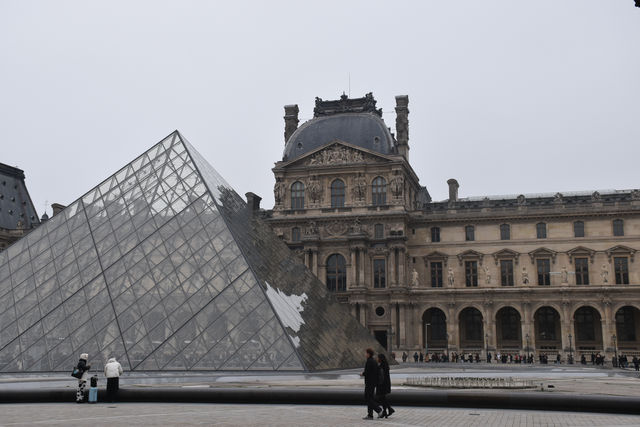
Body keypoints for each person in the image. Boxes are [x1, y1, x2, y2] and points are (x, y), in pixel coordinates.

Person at [361, 348, 381, 420]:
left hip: (369, 383)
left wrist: (362, 374)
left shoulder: (369, 361)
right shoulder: (374, 361)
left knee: (367, 397)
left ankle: (378, 410)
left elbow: (367, 372)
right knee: (370, 398)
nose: (365, 354)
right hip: (373, 383)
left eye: (366, 353)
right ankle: (370, 415)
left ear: (368, 354)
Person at [376, 354, 395, 418]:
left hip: (382, 384)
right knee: (382, 397)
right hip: (385, 383)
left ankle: (389, 409)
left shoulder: (382, 365)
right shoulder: (385, 364)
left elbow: (381, 376)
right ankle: (387, 410)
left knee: (381, 397)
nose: (377, 359)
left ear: (380, 358)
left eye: (378, 358)